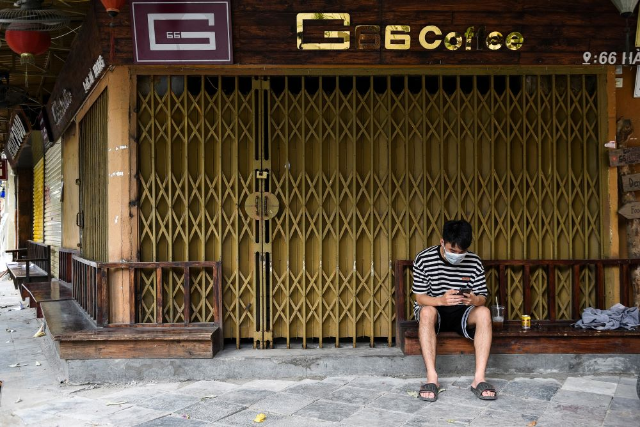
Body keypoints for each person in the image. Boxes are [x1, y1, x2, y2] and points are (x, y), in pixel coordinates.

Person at [412, 219, 496, 402]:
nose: (457, 255)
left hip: (463, 311)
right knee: (426, 312)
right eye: (452, 251)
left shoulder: (474, 262)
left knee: (484, 312)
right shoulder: (424, 258)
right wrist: (440, 300)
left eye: (462, 252)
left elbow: (483, 297)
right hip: (435, 308)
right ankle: (432, 378)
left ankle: (479, 379)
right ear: (442, 242)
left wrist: (475, 299)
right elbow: (419, 297)